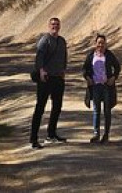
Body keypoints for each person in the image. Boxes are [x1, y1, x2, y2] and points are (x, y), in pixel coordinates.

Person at [30, 16, 68, 149]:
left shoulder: (62, 41)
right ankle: (33, 139)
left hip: (58, 78)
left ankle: (51, 134)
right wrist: (41, 71)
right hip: (45, 79)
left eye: (57, 24)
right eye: (52, 24)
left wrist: (63, 70)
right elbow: (39, 57)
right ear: (48, 26)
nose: (55, 26)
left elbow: (64, 56)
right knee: (40, 108)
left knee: (57, 107)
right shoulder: (45, 40)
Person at [82, 33, 121, 144]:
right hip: (95, 86)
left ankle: (106, 134)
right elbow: (84, 69)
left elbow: (117, 67)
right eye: (99, 43)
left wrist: (113, 77)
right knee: (96, 111)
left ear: (105, 44)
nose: (101, 45)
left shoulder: (109, 55)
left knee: (107, 111)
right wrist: (87, 78)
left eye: (103, 43)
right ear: (95, 44)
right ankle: (96, 134)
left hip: (106, 87)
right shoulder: (91, 56)